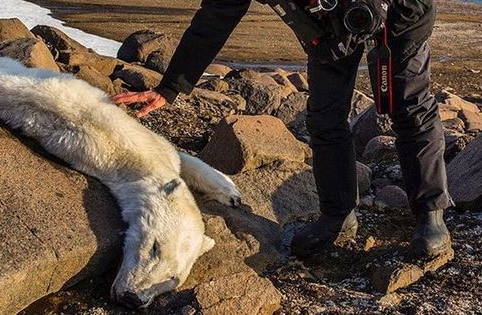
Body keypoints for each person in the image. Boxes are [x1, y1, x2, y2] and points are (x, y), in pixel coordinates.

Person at [113, 0, 453, 258]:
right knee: (324, 118)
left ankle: (430, 215)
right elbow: (215, 17)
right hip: (329, 30)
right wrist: (170, 86)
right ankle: (337, 215)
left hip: (400, 14)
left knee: (410, 109)